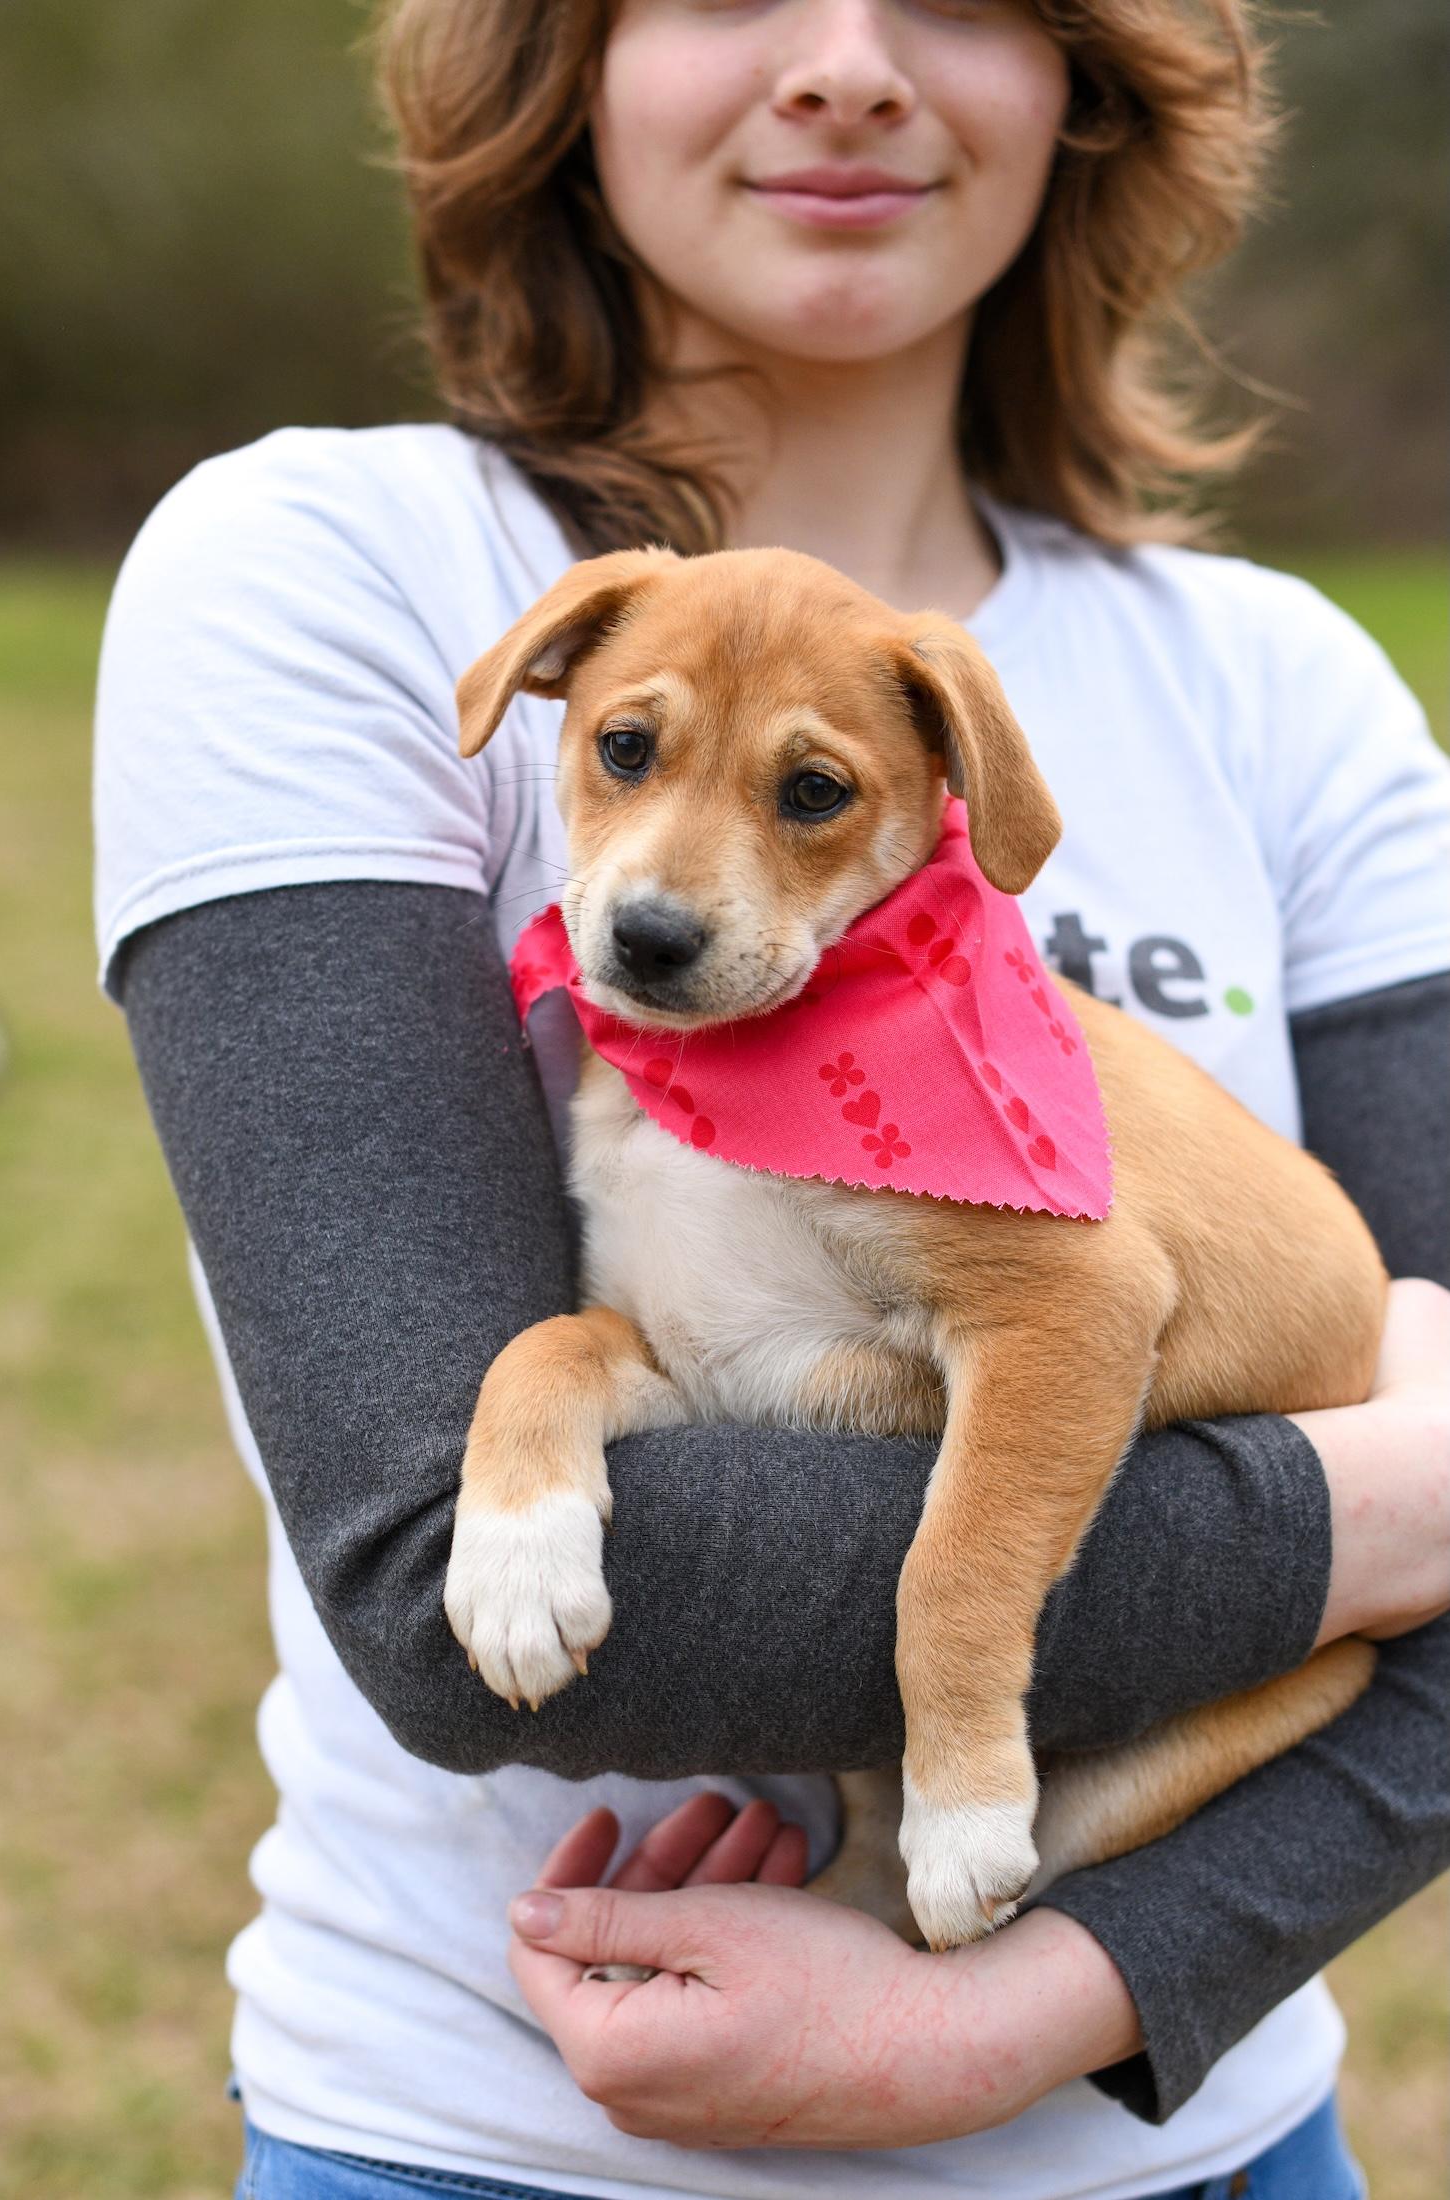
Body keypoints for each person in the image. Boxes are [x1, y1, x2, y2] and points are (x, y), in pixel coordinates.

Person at [93, 1, 1450, 2195]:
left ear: (1087, 76)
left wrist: (1024, 2003)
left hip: (1201, 2138)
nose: (842, 60)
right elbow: (456, 1573)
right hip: (488, 2132)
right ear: (568, 51)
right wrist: (1393, 1508)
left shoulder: (1282, 687)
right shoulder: (323, 573)